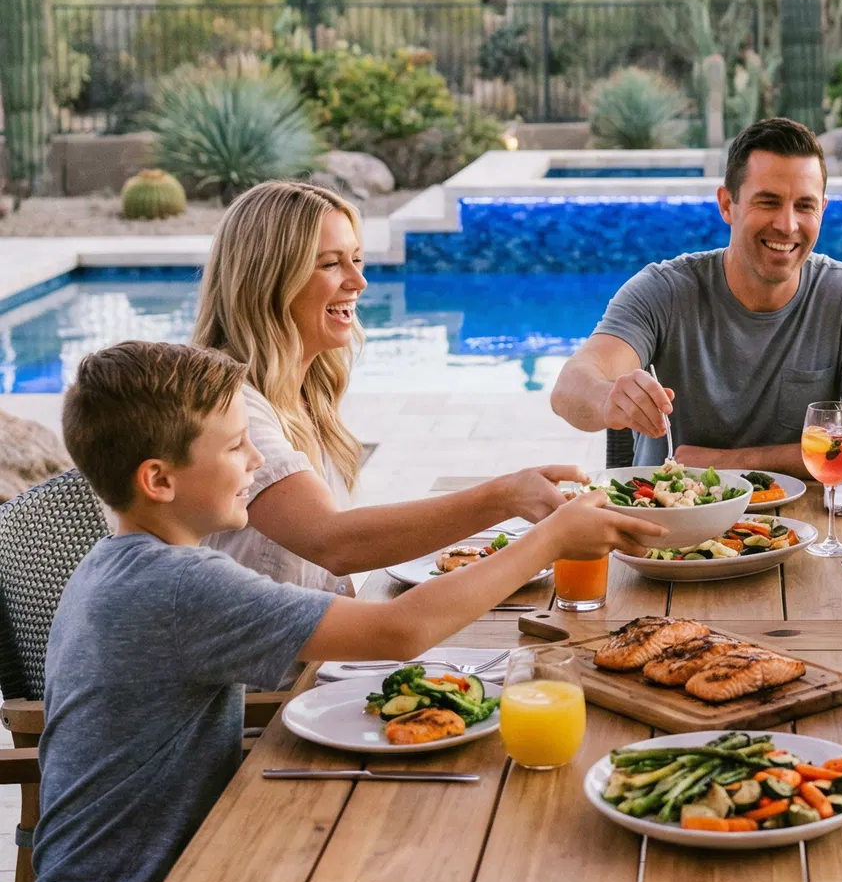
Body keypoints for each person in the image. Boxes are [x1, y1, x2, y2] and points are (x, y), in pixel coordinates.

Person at [23, 339, 662, 882]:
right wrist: (550, 536)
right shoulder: (178, 588)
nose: (255, 460)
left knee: (405, 861)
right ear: (158, 479)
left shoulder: (123, 565)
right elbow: (397, 633)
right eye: (235, 446)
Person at [193, 179, 586, 595]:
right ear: (266, 278)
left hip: (320, 650)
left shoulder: (305, 393)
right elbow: (334, 541)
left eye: (356, 260)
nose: (358, 283)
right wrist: (505, 497)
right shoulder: (233, 405)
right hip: (273, 660)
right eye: (330, 264)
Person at [550, 116, 842, 470]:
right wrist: (607, 397)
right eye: (768, 202)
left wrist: (729, 464)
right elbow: (570, 388)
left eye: (805, 206)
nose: (787, 225)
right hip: (675, 520)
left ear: (823, 209)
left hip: (808, 525)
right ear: (727, 204)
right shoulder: (664, 290)